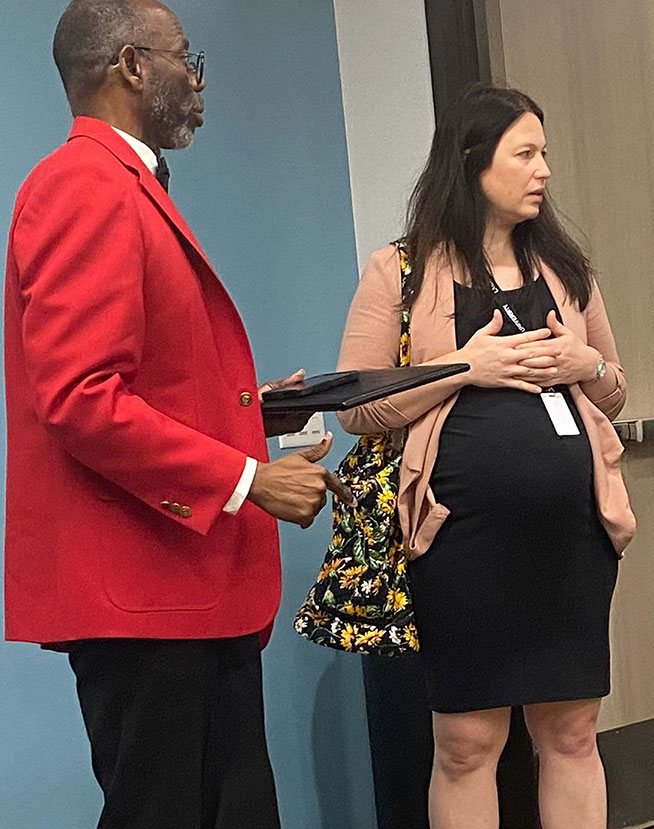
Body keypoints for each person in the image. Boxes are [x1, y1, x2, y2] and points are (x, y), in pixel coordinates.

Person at [3, 1, 351, 826]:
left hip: (180, 594)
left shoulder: (118, 184)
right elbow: (82, 399)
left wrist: (248, 413)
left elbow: (140, 383)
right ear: (132, 66)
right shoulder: (81, 187)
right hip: (145, 594)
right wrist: (249, 480)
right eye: (184, 58)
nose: (196, 80)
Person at [336, 84, 635, 828]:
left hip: (571, 537)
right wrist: (464, 368)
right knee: (468, 741)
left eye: (544, 154)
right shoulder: (398, 271)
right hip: (458, 539)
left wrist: (583, 363)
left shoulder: (565, 270)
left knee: (569, 731)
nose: (543, 171)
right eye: (525, 154)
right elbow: (356, 408)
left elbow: (616, 390)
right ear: (473, 162)